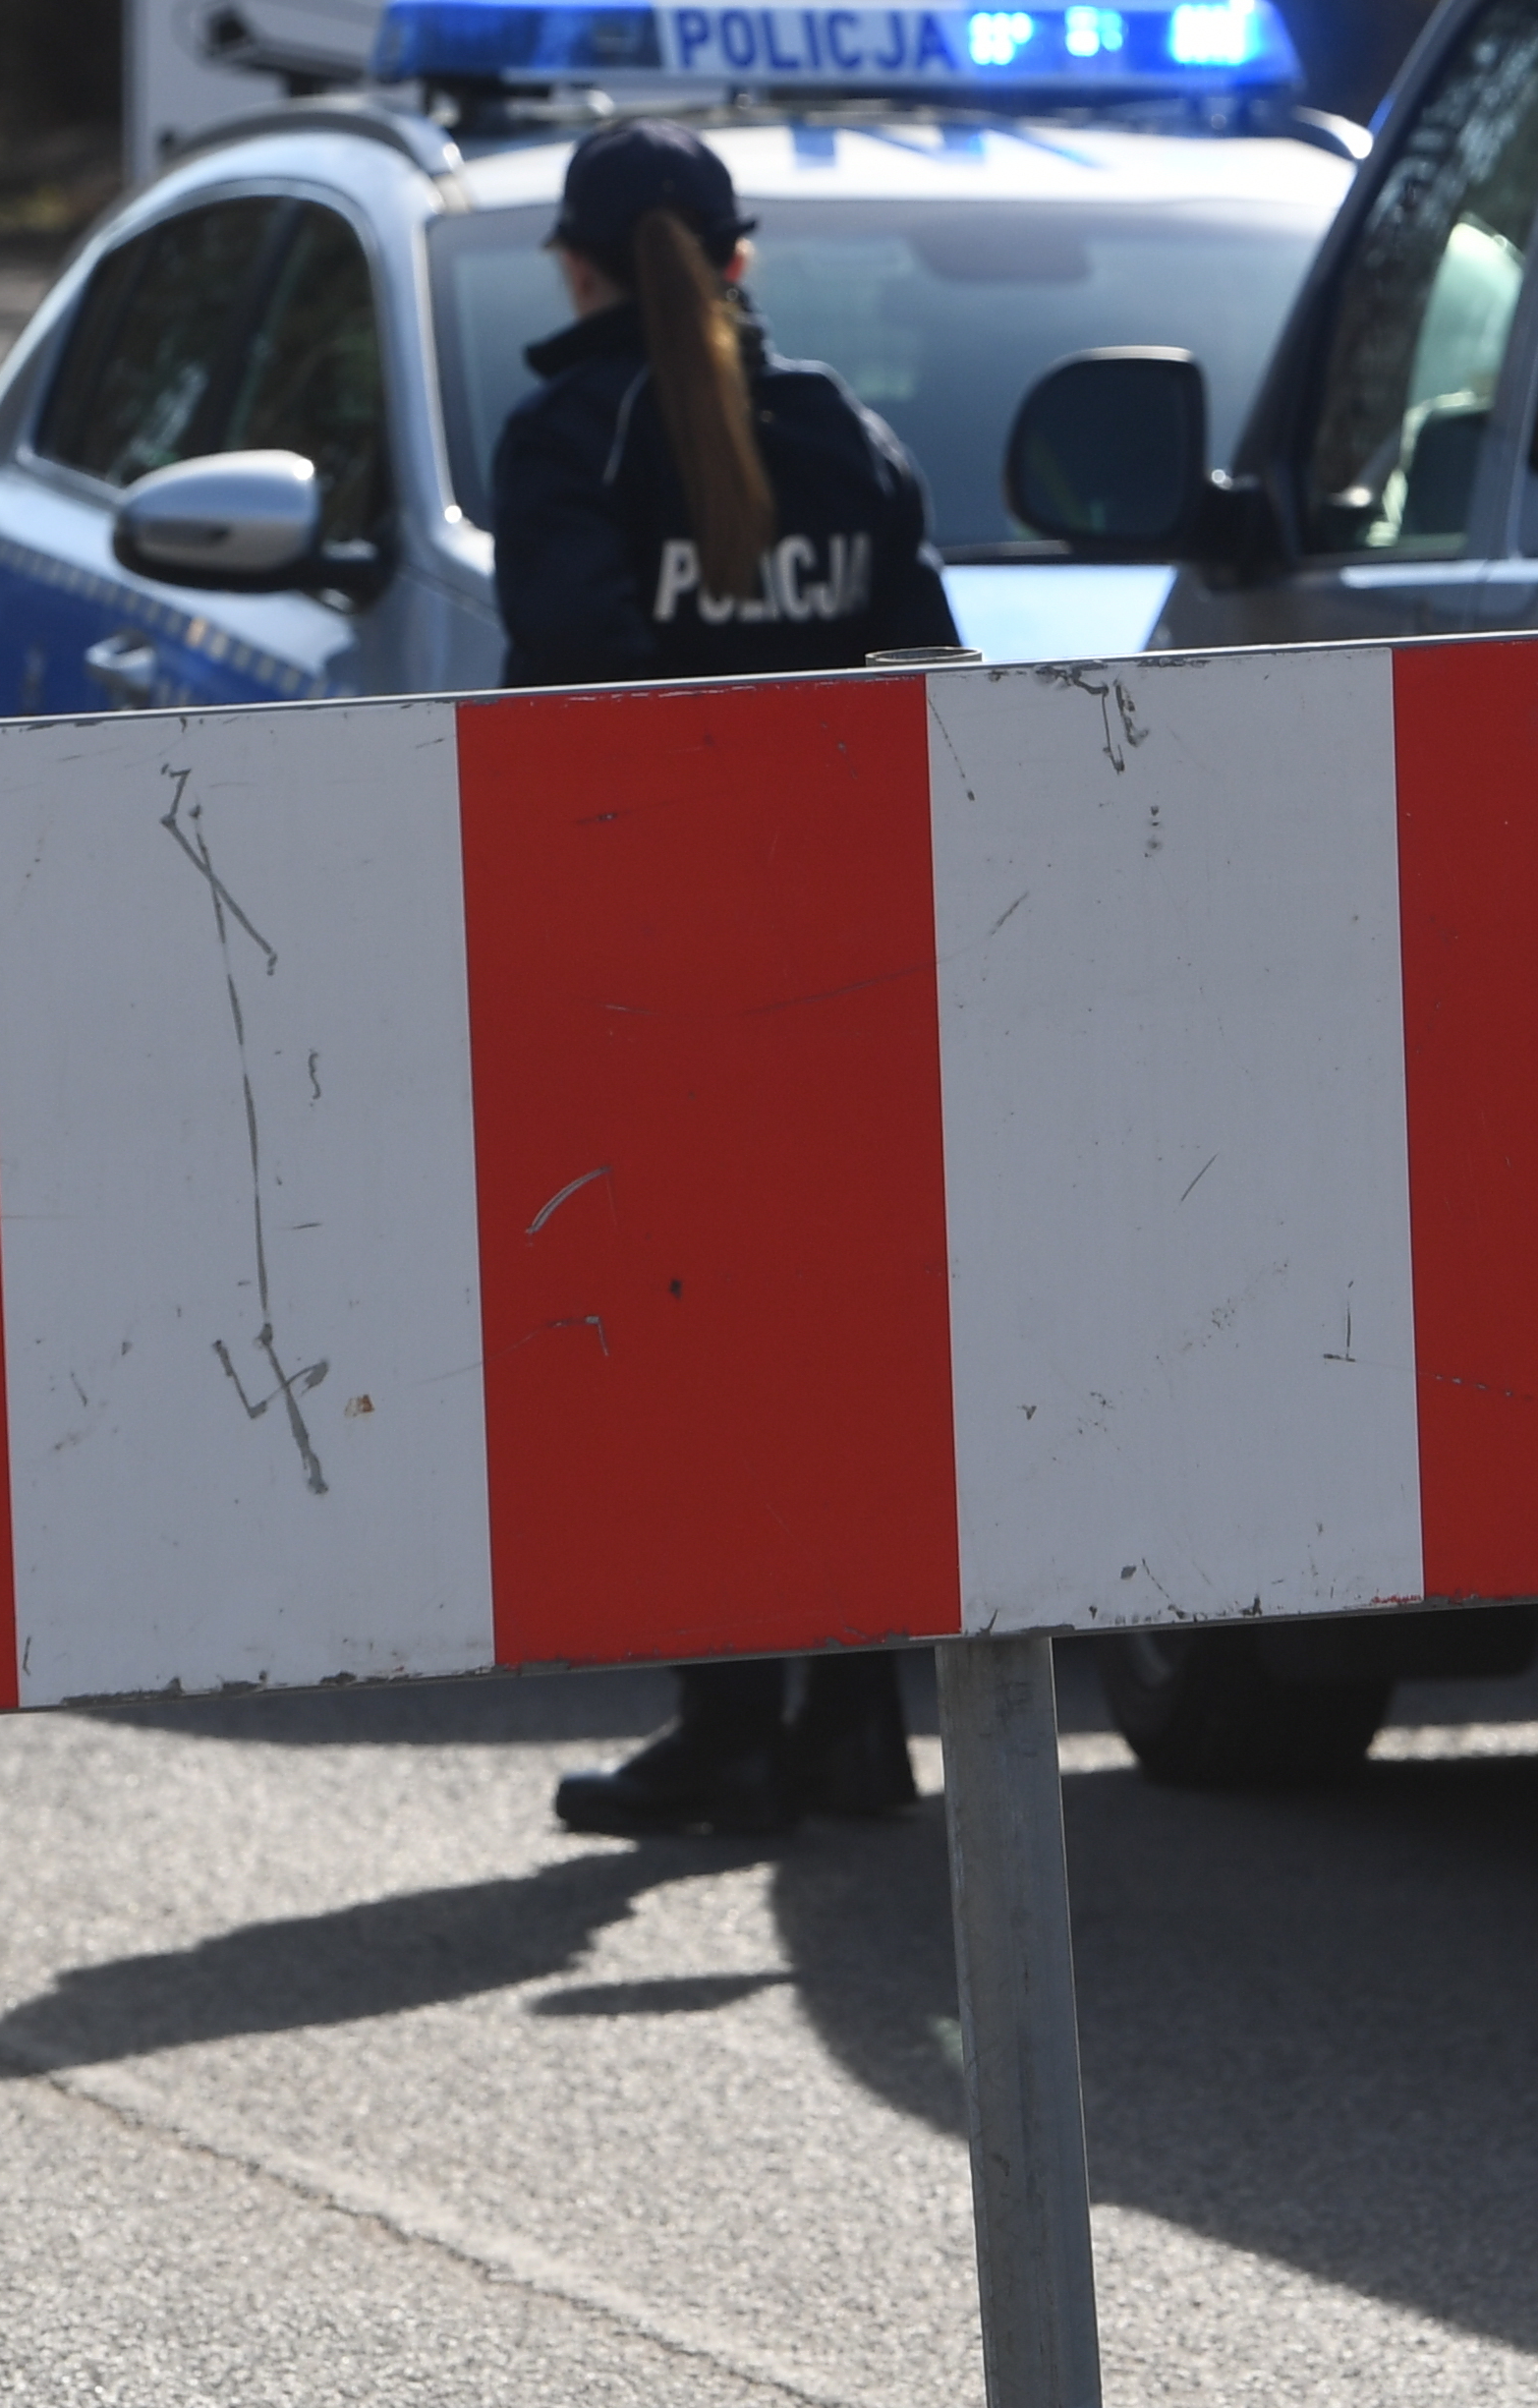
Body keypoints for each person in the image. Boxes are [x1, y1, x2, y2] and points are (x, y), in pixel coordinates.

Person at [506, 118, 958, 1838]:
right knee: (840, 1352)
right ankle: (853, 1728)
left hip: (657, 978)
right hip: (849, 970)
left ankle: (727, 1729)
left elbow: (561, 703)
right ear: (738, 257)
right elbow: (926, 670)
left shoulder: (569, 435)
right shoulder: (844, 433)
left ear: (577, 269)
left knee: (688, 1356)